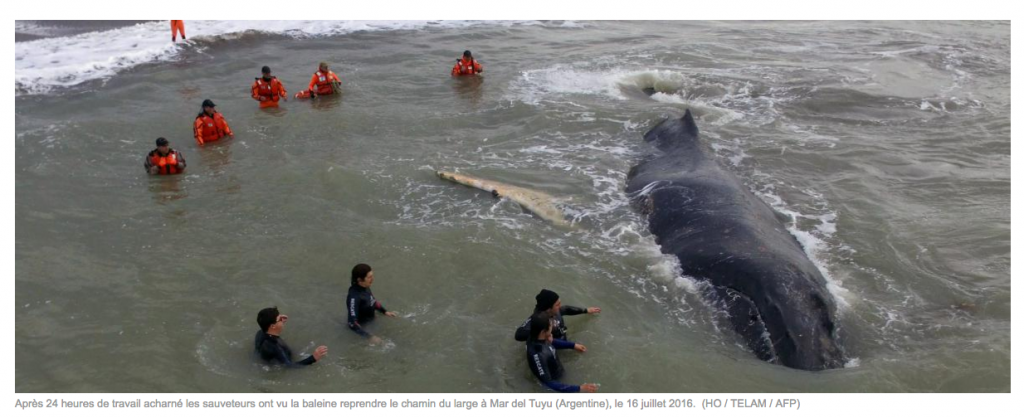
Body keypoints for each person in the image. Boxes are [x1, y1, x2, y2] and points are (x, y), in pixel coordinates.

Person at [526, 313, 598, 393]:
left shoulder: (538, 336)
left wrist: (573, 345)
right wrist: (579, 388)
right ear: (543, 331)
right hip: (554, 384)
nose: (552, 327)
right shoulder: (537, 354)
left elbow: (551, 343)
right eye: (550, 325)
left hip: (558, 371)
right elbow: (548, 383)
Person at [514, 289, 600, 342]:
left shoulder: (555, 311)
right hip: (555, 347)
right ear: (548, 309)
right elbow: (518, 335)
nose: (560, 306)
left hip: (564, 341)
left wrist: (586, 310)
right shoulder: (538, 320)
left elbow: (566, 309)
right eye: (557, 304)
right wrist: (543, 332)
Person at [254, 306, 328, 366]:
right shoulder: (276, 347)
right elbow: (290, 366)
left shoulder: (260, 333)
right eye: (280, 319)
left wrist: (279, 322)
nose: (282, 319)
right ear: (273, 326)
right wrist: (313, 358)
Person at [346, 263, 397, 344]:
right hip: (364, 328)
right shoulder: (354, 297)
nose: (373, 279)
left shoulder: (365, 286)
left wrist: (385, 312)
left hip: (372, 321)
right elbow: (352, 323)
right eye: (369, 277)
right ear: (359, 280)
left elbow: (372, 301)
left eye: (372, 276)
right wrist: (369, 337)